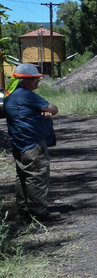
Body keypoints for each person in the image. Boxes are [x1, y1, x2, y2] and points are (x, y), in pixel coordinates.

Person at [3, 63, 59, 220]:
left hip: (19, 144)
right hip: (32, 144)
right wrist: (44, 111)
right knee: (37, 176)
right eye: (34, 79)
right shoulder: (27, 95)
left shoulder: (11, 97)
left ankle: (24, 210)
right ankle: (39, 212)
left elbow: (25, 115)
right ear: (24, 80)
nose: (37, 82)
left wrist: (39, 113)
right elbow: (53, 109)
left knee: (22, 176)